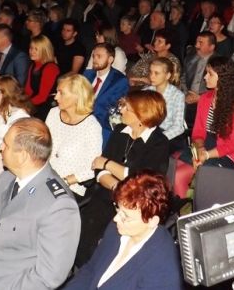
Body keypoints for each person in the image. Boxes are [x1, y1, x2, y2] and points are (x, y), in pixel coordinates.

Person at [0, 118, 80, 290]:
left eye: (5, 145)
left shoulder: (58, 206)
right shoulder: (6, 178)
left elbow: (48, 277)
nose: (0, 147)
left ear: (22, 156)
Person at [76, 90, 169, 266]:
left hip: (134, 206)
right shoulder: (120, 130)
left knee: (107, 249)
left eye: (127, 107)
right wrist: (116, 185)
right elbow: (98, 169)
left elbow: (140, 179)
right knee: (82, 238)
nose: (121, 110)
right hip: (106, 194)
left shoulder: (159, 143)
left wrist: (108, 164)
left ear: (141, 114)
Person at [65, 171, 183, 290]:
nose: (116, 218)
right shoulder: (118, 228)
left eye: (126, 216)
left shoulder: (162, 268)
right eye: (118, 208)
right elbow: (91, 270)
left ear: (152, 221)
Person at [174, 56, 234, 198]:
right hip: (206, 143)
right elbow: (198, 130)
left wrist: (206, 155)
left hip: (227, 153)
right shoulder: (205, 98)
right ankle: (185, 206)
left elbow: (232, 144)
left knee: (182, 175)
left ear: (223, 78)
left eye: (210, 74)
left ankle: (196, 206)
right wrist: (200, 148)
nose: (205, 77)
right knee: (175, 169)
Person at [45, 74, 102, 198]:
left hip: (69, 187)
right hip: (43, 177)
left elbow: (92, 168)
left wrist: (64, 181)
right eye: (56, 92)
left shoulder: (91, 126)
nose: (56, 97)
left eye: (61, 93)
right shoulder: (53, 113)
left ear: (77, 96)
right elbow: (42, 146)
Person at [83, 43, 130, 147]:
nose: (95, 59)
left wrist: (87, 117)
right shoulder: (87, 74)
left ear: (110, 59)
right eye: (93, 56)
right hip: (80, 119)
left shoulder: (119, 81)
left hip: (101, 125)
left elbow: (113, 110)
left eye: (99, 56)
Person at [144, 57, 186, 147]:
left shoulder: (177, 95)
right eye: (150, 72)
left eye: (156, 73)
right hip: (147, 131)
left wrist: (158, 139)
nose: (151, 76)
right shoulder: (146, 91)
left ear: (167, 76)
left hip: (167, 134)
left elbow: (178, 127)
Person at [25, 35, 60, 119]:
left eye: (36, 49)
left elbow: (42, 96)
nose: (32, 51)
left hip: (47, 106)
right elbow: (28, 89)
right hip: (35, 103)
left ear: (44, 50)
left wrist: (25, 105)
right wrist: (20, 101)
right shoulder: (33, 65)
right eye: (31, 48)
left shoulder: (50, 68)